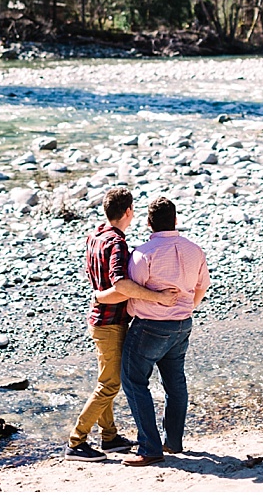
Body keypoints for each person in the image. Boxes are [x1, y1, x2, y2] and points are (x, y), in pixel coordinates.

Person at [65, 187, 180, 462]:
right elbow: (120, 284)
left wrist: (99, 294)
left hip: (98, 319)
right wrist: (158, 297)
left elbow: (97, 276)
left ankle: (109, 436)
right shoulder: (117, 242)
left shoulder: (95, 234)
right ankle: (76, 441)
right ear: (128, 212)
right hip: (110, 322)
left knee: (105, 380)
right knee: (110, 385)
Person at [118, 196, 210, 467]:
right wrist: (186, 308)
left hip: (150, 326)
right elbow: (202, 286)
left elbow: (133, 290)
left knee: (134, 381)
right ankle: (174, 441)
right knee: (175, 383)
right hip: (182, 324)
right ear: (176, 220)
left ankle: (149, 447)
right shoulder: (195, 250)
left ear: (148, 223)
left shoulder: (143, 252)